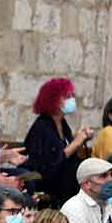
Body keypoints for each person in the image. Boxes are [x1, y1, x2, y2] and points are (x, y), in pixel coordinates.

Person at [24, 77, 93, 206]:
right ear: (53, 99)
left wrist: (82, 138)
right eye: (67, 96)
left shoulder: (62, 123)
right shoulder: (42, 126)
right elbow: (50, 163)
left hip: (64, 177)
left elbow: (70, 154)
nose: (71, 100)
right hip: (48, 180)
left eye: (72, 96)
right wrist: (75, 143)